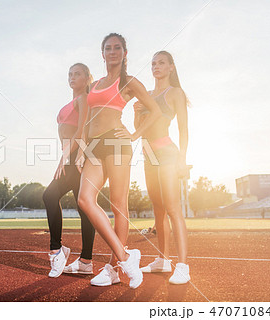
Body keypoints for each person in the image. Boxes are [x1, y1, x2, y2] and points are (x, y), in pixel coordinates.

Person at [77, 33, 162, 289]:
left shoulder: (129, 82)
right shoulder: (94, 85)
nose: (112, 51)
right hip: (93, 146)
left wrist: (135, 134)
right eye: (107, 48)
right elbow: (86, 120)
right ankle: (126, 257)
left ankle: (114, 268)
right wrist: (81, 149)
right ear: (102, 53)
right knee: (84, 200)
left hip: (116, 142)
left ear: (124, 53)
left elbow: (155, 111)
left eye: (117, 48)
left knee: (118, 205)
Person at [134, 51, 190, 284]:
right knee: (157, 209)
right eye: (153, 63)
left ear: (171, 67)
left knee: (172, 208)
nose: (156, 66)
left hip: (167, 154)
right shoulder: (145, 94)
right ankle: (163, 260)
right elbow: (139, 129)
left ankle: (183, 266)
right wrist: (136, 114)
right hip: (148, 156)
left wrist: (182, 160)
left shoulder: (175, 93)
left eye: (161, 63)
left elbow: (183, 130)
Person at [43, 63, 96, 278]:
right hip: (70, 155)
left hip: (77, 157)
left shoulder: (83, 99)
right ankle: (85, 261)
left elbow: (83, 128)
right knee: (84, 209)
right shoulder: (72, 101)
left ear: (87, 78)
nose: (73, 77)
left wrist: (70, 155)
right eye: (70, 74)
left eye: (78, 74)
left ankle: (57, 250)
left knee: (49, 195)